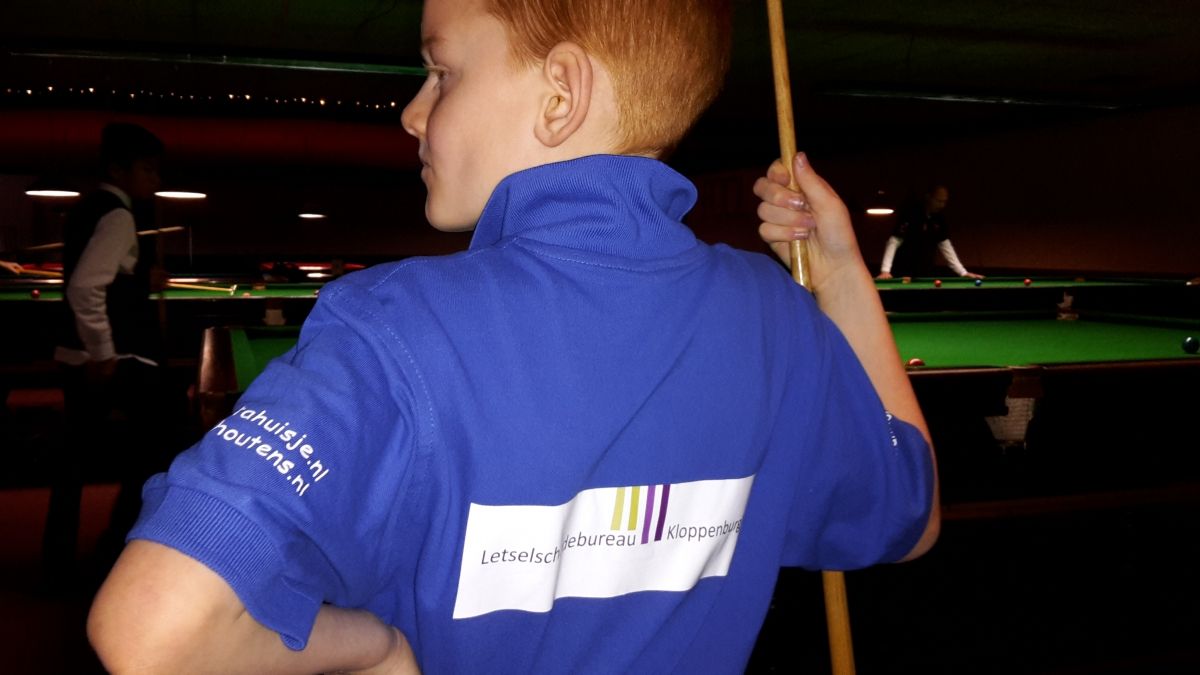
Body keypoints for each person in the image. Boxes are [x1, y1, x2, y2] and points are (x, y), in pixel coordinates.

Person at [88, 1, 938, 673]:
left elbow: (153, 629)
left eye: (441, 73)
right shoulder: (775, 319)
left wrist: (373, 648)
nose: (412, 113)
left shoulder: (391, 323)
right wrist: (840, 277)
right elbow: (915, 513)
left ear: (561, 95)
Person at [43, 123, 177, 584]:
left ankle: (59, 562)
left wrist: (141, 280)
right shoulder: (118, 214)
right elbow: (86, 288)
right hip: (115, 359)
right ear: (118, 169)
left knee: (74, 461)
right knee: (161, 447)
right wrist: (102, 352)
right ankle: (118, 551)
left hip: (80, 355)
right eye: (147, 169)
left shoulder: (88, 207)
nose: (154, 179)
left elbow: (103, 277)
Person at [877, 185, 983, 280]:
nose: (942, 205)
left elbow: (946, 246)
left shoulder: (939, 218)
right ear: (928, 197)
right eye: (939, 201)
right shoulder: (911, 213)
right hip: (903, 271)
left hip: (925, 272)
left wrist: (963, 272)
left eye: (944, 202)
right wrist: (885, 271)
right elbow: (894, 241)